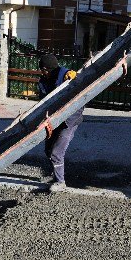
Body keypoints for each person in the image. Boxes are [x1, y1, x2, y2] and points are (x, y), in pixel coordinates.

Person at [37, 54, 83, 192]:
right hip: (54, 118)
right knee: (48, 149)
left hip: (70, 119)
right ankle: (54, 175)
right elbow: (43, 102)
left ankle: (60, 182)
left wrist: (74, 76)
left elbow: (74, 77)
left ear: (46, 69)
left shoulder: (65, 74)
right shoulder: (44, 81)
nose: (41, 72)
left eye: (42, 69)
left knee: (57, 152)